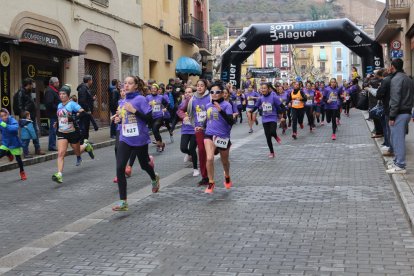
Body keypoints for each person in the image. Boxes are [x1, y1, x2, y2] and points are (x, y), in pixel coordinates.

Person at [112, 76, 160, 211]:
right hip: (125, 138)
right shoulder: (122, 101)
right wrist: (118, 119)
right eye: (124, 83)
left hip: (140, 139)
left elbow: (149, 119)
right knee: (120, 167)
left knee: (144, 165)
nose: (126, 85)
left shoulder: (141, 99)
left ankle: (154, 177)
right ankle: (123, 202)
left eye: (129, 83)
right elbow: (123, 118)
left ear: (136, 86)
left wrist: (134, 111)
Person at [52, 85, 95, 184]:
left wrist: (73, 118)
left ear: (68, 95)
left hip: (73, 132)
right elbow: (61, 117)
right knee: (61, 153)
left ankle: (86, 145)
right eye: (60, 94)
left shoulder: (72, 104)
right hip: (62, 132)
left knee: (77, 151)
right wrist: (57, 123)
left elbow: (83, 113)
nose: (61, 96)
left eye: (64, 94)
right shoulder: (59, 105)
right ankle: (59, 174)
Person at [177, 79, 210, 186]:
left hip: (210, 129)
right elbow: (183, 111)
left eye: (202, 85)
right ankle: (205, 177)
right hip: (198, 129)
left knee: (211, 152)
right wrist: (190, 121)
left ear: (205, 87)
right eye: (198, 85)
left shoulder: (210, 97)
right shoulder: (192, 99)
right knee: (201, 150)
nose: (200, 87)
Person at [203, 82, 234, 194]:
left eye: (217, 92)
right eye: (212, 92)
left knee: (224, 161)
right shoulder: (207, 106)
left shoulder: (227, 105)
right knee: (210, 158)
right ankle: (211, 182)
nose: (214, 94)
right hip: (209, 134)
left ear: (222, 93)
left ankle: (227, 174)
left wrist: (221, 111)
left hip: (222, 136)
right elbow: (207, 120)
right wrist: (201, 127)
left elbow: (231, 121)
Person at [386, 58, 414, 174]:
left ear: (393, 66)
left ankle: (400, 165)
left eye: (390, 65)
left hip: (399, 113)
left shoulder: (396, 79)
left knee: (397, 140)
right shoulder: (408, 78)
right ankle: (398, 162)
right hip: (406, 111)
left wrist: (392, 116)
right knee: (398, 139)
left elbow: (395, 98)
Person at [250, 83, 283, 158]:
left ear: (268, 89)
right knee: (268, 137)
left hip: (273, 117)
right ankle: (272, 152)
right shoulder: (261, 98)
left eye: (265, 88)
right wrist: (251, 111)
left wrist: (283, 113)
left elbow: (280, 105)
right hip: (265, 118)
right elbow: (256, 106)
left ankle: (275, 136)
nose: (263, 89)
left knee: (272, 131)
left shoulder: (273, 97)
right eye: (262, 88)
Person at [15, 78, 45, 157]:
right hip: (27, 118)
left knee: (35, 133)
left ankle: (37, 149)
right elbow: (20, 106)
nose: (33, 85)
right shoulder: (21, 92)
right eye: (32, 84)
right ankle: (26, 152)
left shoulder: (28, 92)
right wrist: (24, 116)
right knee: (26, 135)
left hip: (32, 116)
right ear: (28, 85)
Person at [0, 108, 26, 180]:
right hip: (5, 142)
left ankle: (22, 172)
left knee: (18, 159)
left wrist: (5, 125)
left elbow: (14, 129)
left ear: (8, 114)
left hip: (14, 142)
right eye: (1, 116)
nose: (3, 117)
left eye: (5, 115)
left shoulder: (12, 120)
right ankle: (8, 153)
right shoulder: (0, 121)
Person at [179, 87, 199, 177]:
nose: (188, 94)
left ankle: (195, 169)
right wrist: (184, 116)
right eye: (186, 92)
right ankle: (188, 153)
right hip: (186, 129)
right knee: (183, 148)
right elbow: (178, 111)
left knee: (192, 148)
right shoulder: (183, 102)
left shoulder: (196, 101)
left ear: (193, 93)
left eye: (189, 92)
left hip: (195, 129)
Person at [146, 83, 171, 152]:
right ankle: (161, 144)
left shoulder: (160, 97)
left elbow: (167, 103)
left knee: (155, 129)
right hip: (151, 117)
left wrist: (165, 108)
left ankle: (159, 145)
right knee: (155, 131)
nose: (153, 90)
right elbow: (144, 106)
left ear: (157, 90)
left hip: (159, 116)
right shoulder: (147, 97)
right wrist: (148, 104)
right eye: (152, 89)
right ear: (150, 90)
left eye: (155, 88)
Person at [77, 75, 98, 141]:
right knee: (85, 126)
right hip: (85, 111)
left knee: (86, 126)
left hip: (86, 111)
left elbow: (87, 99)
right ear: (89, 81)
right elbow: (82, 101)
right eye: (91, 80)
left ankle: (85, 141)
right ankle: (83, 141)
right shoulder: (83, 88)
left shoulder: (85, 88)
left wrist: (92, 99)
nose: (92, 81)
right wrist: (88, 109)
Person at [43, 77, 60, 151]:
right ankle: (51, 146)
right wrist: (58, 107)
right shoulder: (50, 91)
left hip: (56, 113)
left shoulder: (53, 90)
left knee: (56, 129)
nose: (58, 83)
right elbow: (49, 103)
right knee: (53, 130)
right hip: (53, 114)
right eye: (58, 82)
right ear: (54, 83)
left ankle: (55, 144)